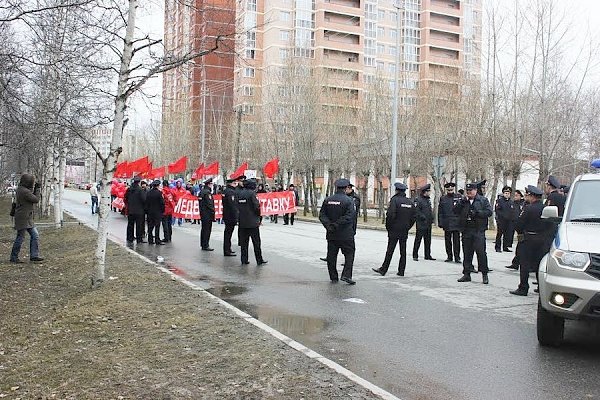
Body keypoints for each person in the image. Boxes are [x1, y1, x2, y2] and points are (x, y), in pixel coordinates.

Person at [509, 185, 553, 296]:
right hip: (542, 240)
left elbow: (519, 224)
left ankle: (523, 287)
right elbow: (551, 226)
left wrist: (520, 232)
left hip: (528, 239)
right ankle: (540, 287)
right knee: (539, 264)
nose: (526, 197)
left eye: (527, 195)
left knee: (524, 264)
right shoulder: (545, 208)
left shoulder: (528, 209)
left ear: (532, 196)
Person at [372, 182, 415, 276]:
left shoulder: (395, 200)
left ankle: (384, 269)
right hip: (404, 229)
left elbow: (391, 215)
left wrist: (389, 227)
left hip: (394, 229)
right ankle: (401, 271)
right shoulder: (409, 202)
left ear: (396, 190)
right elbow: (413, 217)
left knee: (390, 250)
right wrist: (407, 227)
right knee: (403, 251)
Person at [319, 178, 357, 284]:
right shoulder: (349, 201)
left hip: (331, 233)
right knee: (349, 253)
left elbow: (322, 215)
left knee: (331, 255)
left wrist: (329, 225)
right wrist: (337, 224)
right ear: (345, 188)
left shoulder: (328, 200)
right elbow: (349, 216)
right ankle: (346, 275)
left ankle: (333, 276)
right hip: (345, 233)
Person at [455, 182, 493, 284]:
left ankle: (484, 274)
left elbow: (489, 212)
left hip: (478, 230)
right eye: (467, 191)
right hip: (466, 229)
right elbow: (455, 211)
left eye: (470, 191)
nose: (469, 193)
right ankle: (466, 273)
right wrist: (461, 203)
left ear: (475, 191)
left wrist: (478, 213)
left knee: (481, 253)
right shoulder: (464, 201)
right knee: (467, 253)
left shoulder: (482, 200)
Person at [10, 174, 44, 263]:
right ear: (28, 182)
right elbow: (36, 199)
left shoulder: (21, 189)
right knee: (20, 237)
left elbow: (30, 196)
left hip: (26, 217)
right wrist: (37, 188)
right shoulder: (24, 191)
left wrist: (34, 188)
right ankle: (14, 257)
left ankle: (34, 256)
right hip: (23, 218)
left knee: (34, 235)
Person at [237, 179, 267, 265]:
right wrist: (259, 216)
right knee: (256, 242)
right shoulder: (252, 194)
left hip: (242, 222)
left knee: (244, 243)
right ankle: (259, 260)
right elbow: (256, 207)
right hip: (252, 222)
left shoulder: (239, 193)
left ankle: (244, 259)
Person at [438, 182, 462, 263]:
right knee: (447, 241)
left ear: (453, 189)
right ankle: (449, 256)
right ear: (446, 190)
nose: (450, 190)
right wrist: (440, 222)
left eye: (451, 189)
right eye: (449, 189)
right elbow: (440, 211)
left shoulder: (458, 197)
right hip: (447, 222)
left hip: (456, 222)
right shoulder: (443, 198)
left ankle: (457, 257)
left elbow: (462, 210)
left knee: (457, 241)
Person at [412, 184, 435, 261]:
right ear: (425, 192)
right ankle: (415, 255)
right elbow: (416, 211)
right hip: (421, 223)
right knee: (418, 239)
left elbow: (429, 211)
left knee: (428, 240)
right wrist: (422, 217)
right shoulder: (418, 200)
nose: (430, 192)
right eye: (429, 191)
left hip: (428, 223)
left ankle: (427, 255)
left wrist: (432, 218)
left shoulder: (427, 200)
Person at [506, 190, 526, 270]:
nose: (515, 197)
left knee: (521, 247)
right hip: (516, 225)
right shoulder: (513, 203)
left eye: (517, 195)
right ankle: (515, 263)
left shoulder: (524, 204)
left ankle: (518, 263)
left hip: (524, 228)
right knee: (519, 246)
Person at [222, 176, 242, 256]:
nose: (236, 184)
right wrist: (236, 217)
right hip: (230, 216)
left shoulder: (226, 191)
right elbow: (232, 206)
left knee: (227, 233)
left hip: (227, 215)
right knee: (228, 234)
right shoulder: (230, 192)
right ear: (231, 184)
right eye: (235, 183)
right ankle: (227, 250)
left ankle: (228, 249)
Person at [124, 176, 146, 244]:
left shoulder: (129, 189)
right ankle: (139, 239)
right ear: (139, 182)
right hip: (139, 210)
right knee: (139, 225)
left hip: (130, 210)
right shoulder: (140, 190)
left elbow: (126, 198)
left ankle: (129, 237)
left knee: (130, 224)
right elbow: (144, 200)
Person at [494, 186, 515, 252]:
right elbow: (497, 210)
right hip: (501, 220)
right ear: (503, 193)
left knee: (507, 234)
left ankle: (505, 247)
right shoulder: (499, 201)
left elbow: (512, 211)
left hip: (508, 221)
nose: (507, 194)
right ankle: (497, 247)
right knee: (499, 234)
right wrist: (501, 217)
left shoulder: (511, 202)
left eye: (508, 193)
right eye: (506, 193)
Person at [145, 180, 165, 245]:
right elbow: (162, 203)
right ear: (158, 186)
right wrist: (162, 211)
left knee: (150, 226)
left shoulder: (148, 193)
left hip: (150, 212)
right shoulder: (159, 193)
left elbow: (146, 203)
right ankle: (157, 240)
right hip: (157, 212)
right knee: (157, 226)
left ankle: (150, 240)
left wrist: (147, 211)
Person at [199, 178, 215, 251]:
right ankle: (206, 245)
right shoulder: (207, 193)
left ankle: (203, 244)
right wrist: (213, 212)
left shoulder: (201, 192)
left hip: (202, 213)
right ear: (209, 184)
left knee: (203, 229)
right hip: (207, 214)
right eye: (211, 184)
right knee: (207, 230)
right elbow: (209, 204)